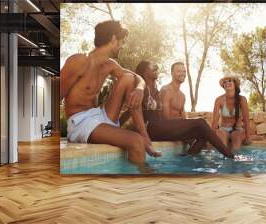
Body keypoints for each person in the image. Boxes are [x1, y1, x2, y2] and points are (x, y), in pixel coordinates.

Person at [60, 20, 161, 168]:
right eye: (121, 42)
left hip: (99, 116)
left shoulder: (110, 64)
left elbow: (136, 77)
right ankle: (141, 184)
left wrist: (139, 88)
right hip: (80, 122)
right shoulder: (80, 62)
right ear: (113, 39)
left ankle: (145, 135)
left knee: (128, 78)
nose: (122, 46)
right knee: (136, 142)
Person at [135, 60, 233, 158]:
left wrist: (186, 129)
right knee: (200, 123)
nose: (182, 73)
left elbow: (182, 118)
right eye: (178, 71)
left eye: (184, 71)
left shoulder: (163, 91)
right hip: (155, 129)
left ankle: (187, 158)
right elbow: (165, 118)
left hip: (165, 128)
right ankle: (230, 156)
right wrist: (186, 127)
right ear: (172, 73)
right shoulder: (162, 90)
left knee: (204, 133)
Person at [211, 75, 252, 151]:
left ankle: (235, 161)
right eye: (225, 82)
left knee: (236, 139)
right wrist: (211, 138)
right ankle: (223, 161)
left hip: (238, 129)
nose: (227, 83)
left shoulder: (242, 99)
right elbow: (215, 120)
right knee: (221, 138)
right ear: (223, 86)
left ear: (235, 84)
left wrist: (248, 137)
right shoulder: (219, 100)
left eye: (230, 80)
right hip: (223, 129)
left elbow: (246, 120)